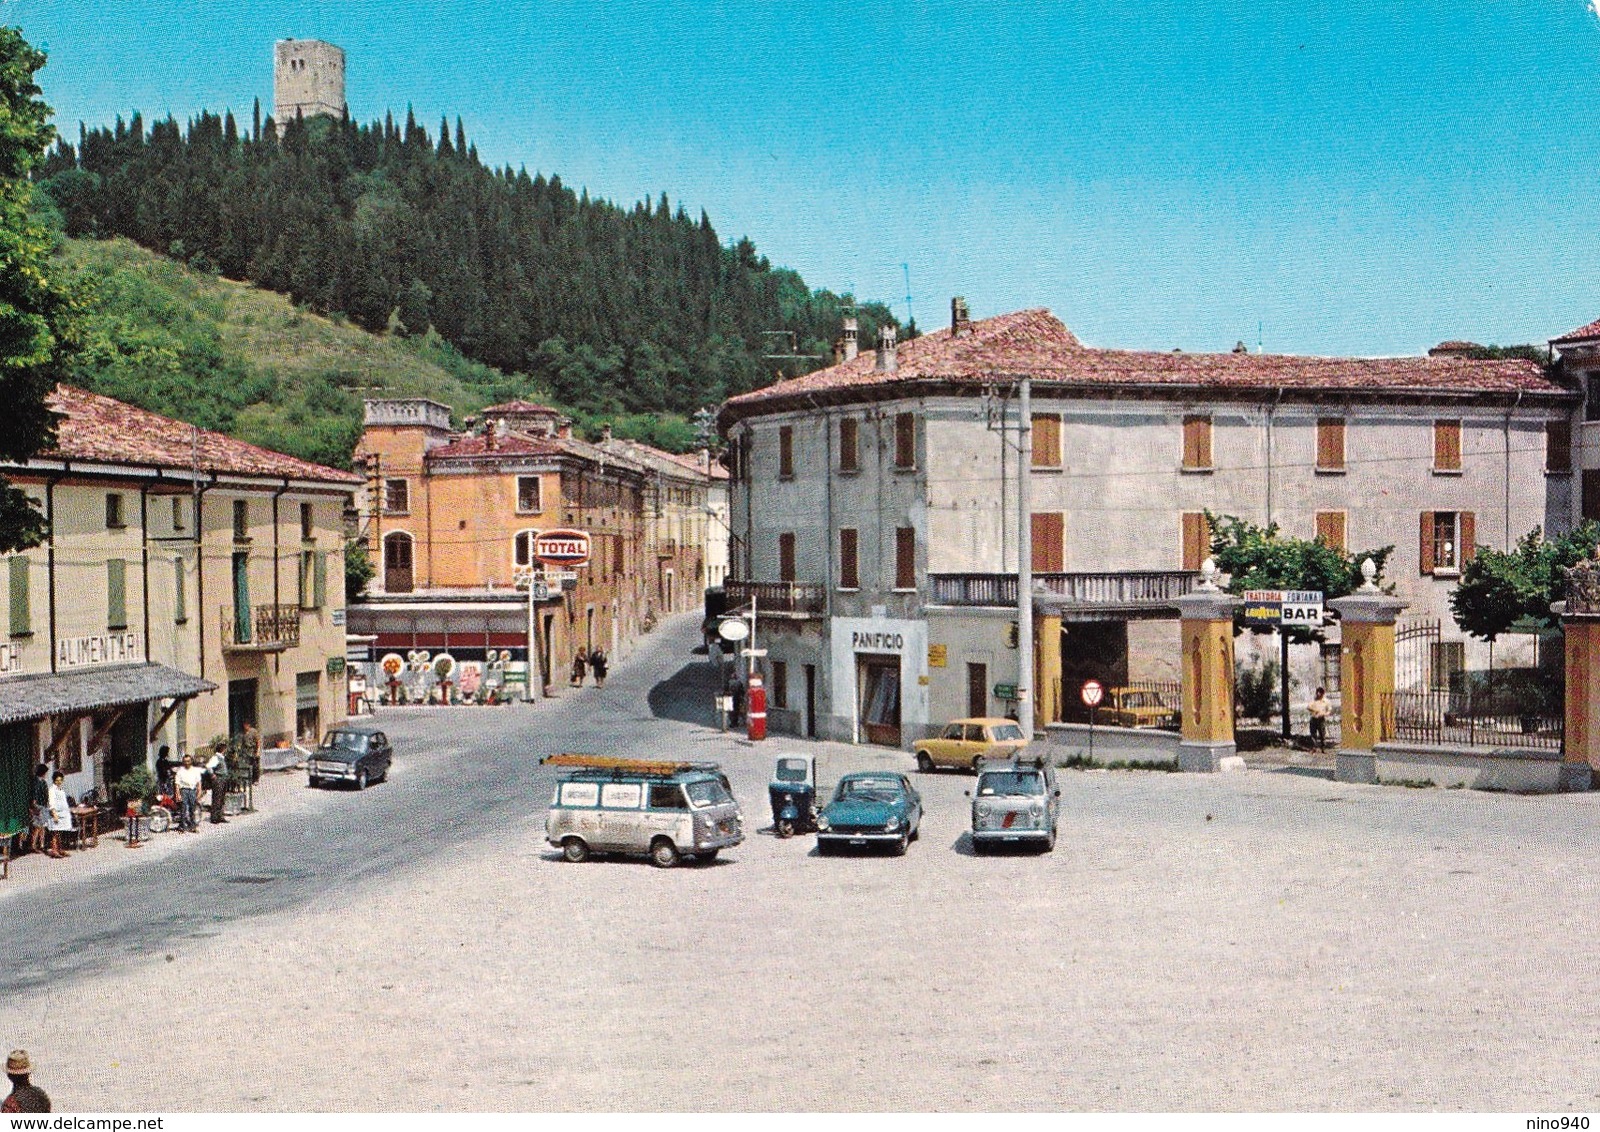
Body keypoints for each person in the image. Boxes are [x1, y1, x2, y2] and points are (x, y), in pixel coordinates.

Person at [174, 753, 203, 833]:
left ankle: (193, 826)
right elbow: (177, 783)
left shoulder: (195, 770)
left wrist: (199, 791)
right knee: (183, 809)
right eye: (185, 761)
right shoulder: (180, 771)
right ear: (183, 762)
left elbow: (199, 782)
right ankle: (182, 827)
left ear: (191, 761)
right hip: (184, 790)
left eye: (188, 761)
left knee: (192, 809)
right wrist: (178, 794)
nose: (187, 763)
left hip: (192, 791)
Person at [45, 772, 72, 858]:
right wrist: (54, 814)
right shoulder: (52, 790)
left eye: (60, 780)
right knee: (55, 833)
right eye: (57, 780)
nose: (59, 782)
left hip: (63, 814)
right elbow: (51, 803)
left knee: (60, 832)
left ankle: (60, 849)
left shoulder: (61, 790)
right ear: (54, 780)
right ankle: (54, 851)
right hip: (56, 814)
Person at [206, 743, 230, 824]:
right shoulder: (216, 758)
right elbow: (208, 766)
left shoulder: (221, 758)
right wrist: (212, 775)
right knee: (217, 798)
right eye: (225, 749)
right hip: (218, 779)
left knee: (222, 798)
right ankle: (214, 817)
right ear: (223, 749)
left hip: (223, 779)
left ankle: (220, 815)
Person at [28, 763, 48, 854]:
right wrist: (34, 807)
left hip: (43, 806)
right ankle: (33, 845)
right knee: (37, 827)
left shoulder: (43, 782)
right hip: (38, 806)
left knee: (42, 827)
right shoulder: (36, 782)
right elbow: (34, 796)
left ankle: (42, 845)